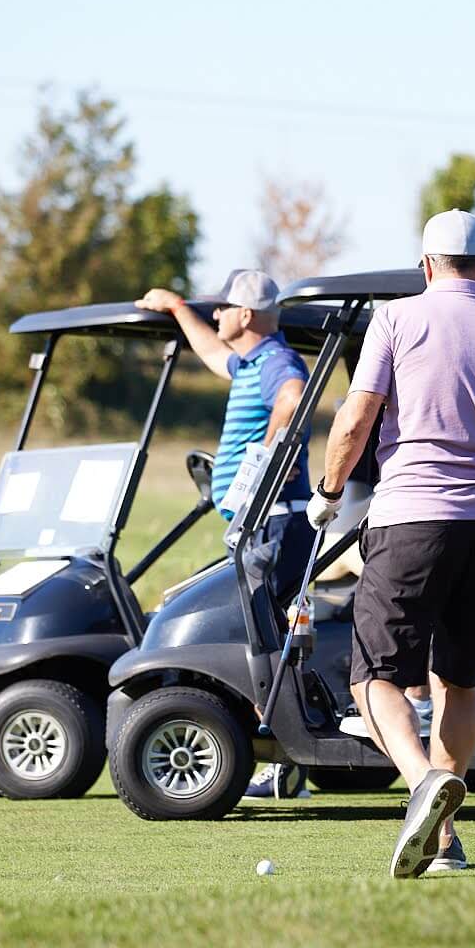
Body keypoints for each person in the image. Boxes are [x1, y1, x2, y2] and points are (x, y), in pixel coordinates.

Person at [307, 210, 475, 879]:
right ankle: (444, 839)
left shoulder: (395, 319)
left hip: (411, 517)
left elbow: (357, 417)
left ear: (426, 266)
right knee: (459, 677)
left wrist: (330, 491)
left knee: (374, 676)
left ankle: (424, 780)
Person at [137, 270, 313, 801]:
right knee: (260, 637)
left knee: (257, 639)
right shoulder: (249, 362)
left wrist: (265, 452)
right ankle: (286, 762)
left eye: (222, 309)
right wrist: (175, 308)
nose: (216, 316)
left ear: (246, 315)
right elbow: (213, 352)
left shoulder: (277, 360)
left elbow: (293, 396)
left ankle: (283, 760)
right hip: (260, 522)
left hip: (275, 519)